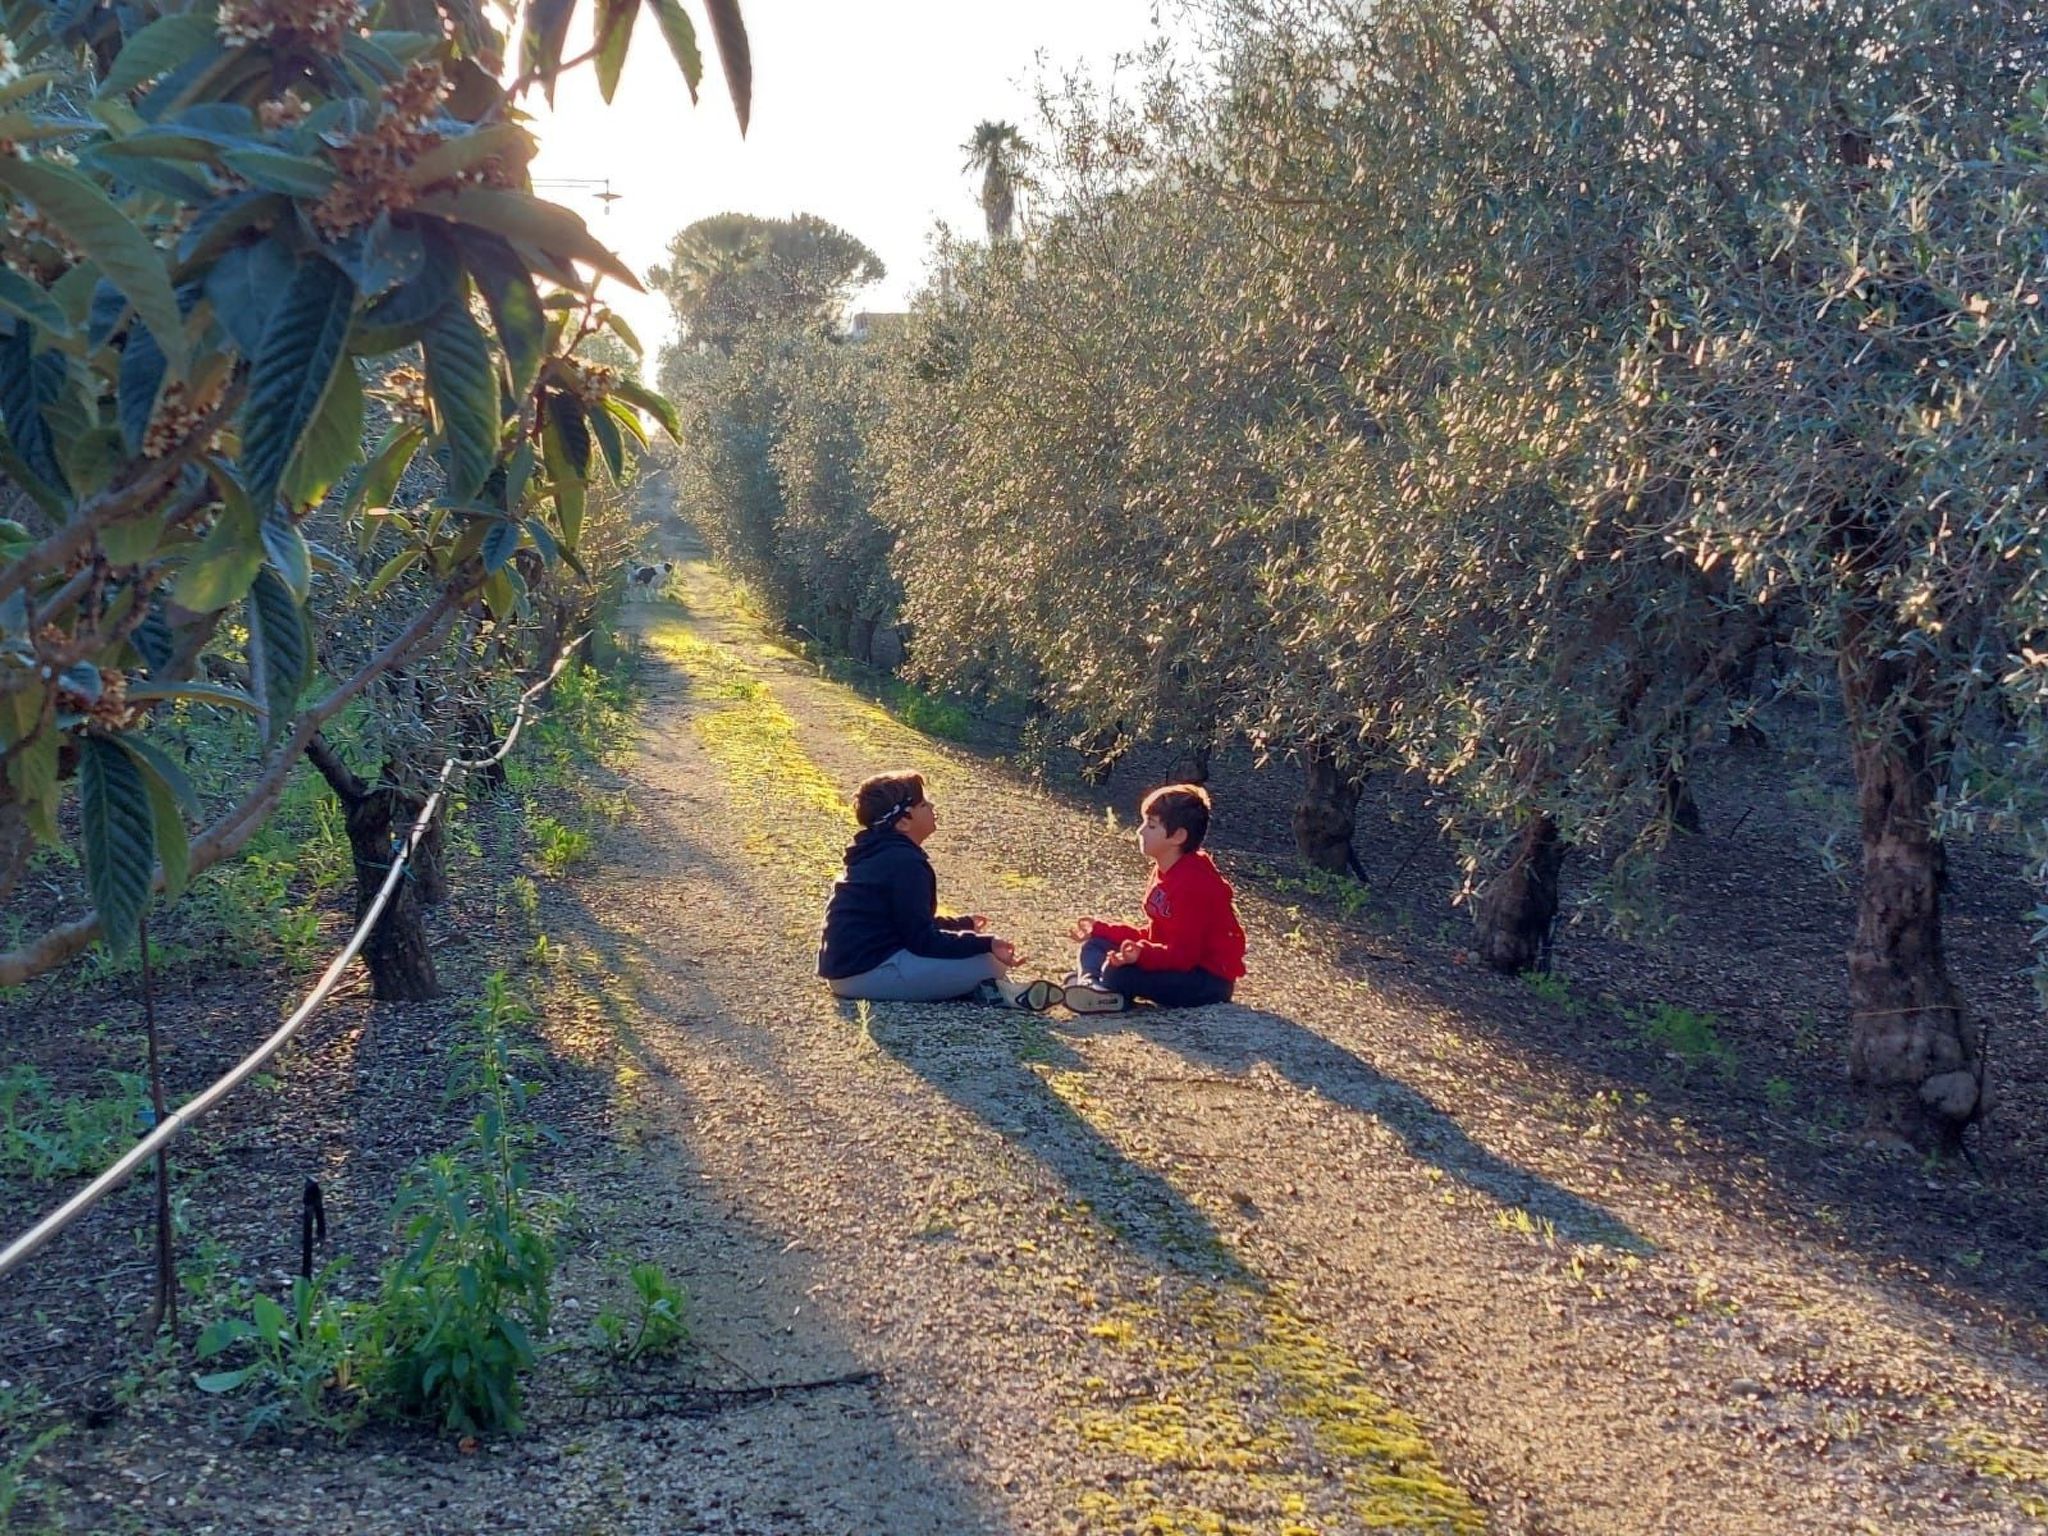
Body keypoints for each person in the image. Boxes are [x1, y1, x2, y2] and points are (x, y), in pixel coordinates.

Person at [818, 769, 1058, 1007]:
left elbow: (906, 922)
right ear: (903, 822)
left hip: (848, 970)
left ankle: (993, 990)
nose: (932, 808)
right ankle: (997, 991)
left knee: (976, 952)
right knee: (989, 962)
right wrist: (986, 943)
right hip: (866, 974)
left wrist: (961, 925)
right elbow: (921, 940)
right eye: (923, 805)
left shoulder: (879, 854)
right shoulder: (905, 863)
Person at [1065, 783, 1246, 1013]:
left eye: (1150, 826)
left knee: (1118, 972)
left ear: (1178, 836)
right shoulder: (1165, 869)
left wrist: (1141, 954)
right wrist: (1103, 929)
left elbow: (1183, 956)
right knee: (1096, 943)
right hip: (1173, 960)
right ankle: (1091, 985)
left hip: (1206, 980)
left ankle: (1100, 985)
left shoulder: (1194, 884)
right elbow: (1155, 934)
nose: (1140, 831)